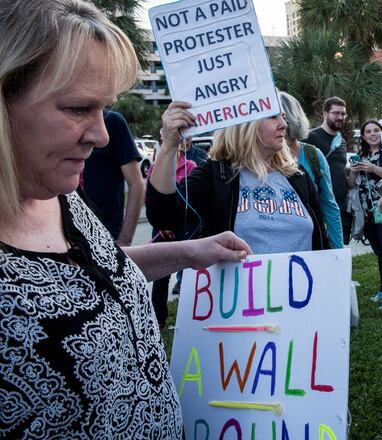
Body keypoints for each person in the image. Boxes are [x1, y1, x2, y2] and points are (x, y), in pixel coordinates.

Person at [0, 1, 252, 437]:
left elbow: (93, 275)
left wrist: (188, 252)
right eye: (78, 108)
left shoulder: (62, 198)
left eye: (104, 109)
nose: (100, 135)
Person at [147, 102, 330, 254]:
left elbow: (321, 242)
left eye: (282, 116)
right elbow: (164, 217)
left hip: (300, 295)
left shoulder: (298, 176)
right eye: (273, 116)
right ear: (246, 123)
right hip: (239, 296)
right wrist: (169, 146)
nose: (284, 124)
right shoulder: (215, 175)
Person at [348, 120, 382, 311]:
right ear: (363, 136)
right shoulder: (360, 156)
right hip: (366, 212)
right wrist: (354, 172)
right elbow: (352, 185)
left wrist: (373, 169)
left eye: (376, 130)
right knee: (379, 252)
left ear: (381, 133)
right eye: (368, 131)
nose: (372, 134)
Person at [147, 131, 199, 328]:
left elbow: (190, 202)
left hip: (182, 229)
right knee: (160, 277)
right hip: (160, 231)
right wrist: (162, 225)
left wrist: (174, 223)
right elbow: (151, 199)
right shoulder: (155, 168)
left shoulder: (191, 167)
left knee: (187, 273)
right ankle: (157, 321)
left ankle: (186, 320)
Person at [279, 91, 344, 249]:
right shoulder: (259, 158)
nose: (278, 123)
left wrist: (338, 253)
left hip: (311, 245)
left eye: (281, 116)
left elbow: (329, 205)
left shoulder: (312, 155)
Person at [81, 109, 145, 245]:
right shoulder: (60, 122)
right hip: (65, 237)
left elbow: (137, 184)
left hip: (105, 235)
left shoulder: (112, 121)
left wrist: (124, 240)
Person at [304, 97, 352, 243]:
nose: (340, 117)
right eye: (336, 113)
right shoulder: (309, 137)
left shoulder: (341, 141)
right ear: (325, 114)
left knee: (340, 250)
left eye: (343, 114)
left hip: (341, 208)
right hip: (319, 207)